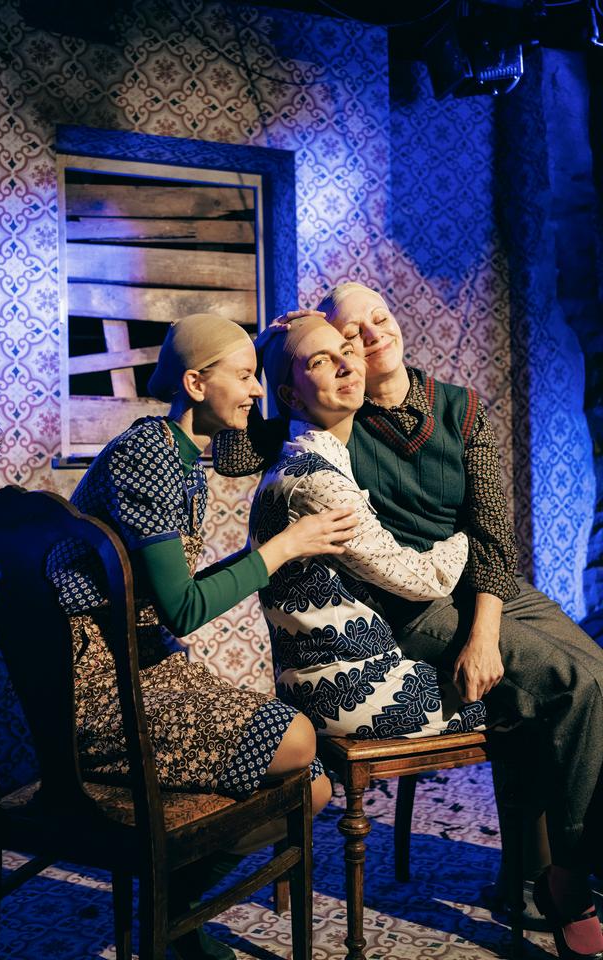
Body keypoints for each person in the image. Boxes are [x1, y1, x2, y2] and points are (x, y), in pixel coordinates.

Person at [214, 286, 603, 960]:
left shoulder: (460, 408)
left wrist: (484, 632)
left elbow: (491, 533)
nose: (369, 338)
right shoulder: (340, 415)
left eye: (380, 319)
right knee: (578, 687)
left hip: (487, 587)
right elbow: (231, 453)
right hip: (413, 608)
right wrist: (270, 345)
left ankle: (539, 872)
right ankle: (568, 884)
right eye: (348, 335)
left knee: (593, 677)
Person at [48, 313, 353, 960]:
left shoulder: (181, 457)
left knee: (317, 786)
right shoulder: (148, 457)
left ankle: (174, 911)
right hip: (100, 688)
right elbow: (183, 610)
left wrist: (280, 546)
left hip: (145, 664)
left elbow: (170, 598)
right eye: (244, 377)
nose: (256, 391)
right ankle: (173, 918)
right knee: (299, 738)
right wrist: (283, 547)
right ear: (194, 383)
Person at [248, 316, 487, 739]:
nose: (346, 366)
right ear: (290, 395)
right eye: (321, 361)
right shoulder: (318, 483)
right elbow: (423, 579)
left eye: (347, 352)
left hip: (319, 682)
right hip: (352, 689)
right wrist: (470, 532)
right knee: (515, 697)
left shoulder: (300, 460)